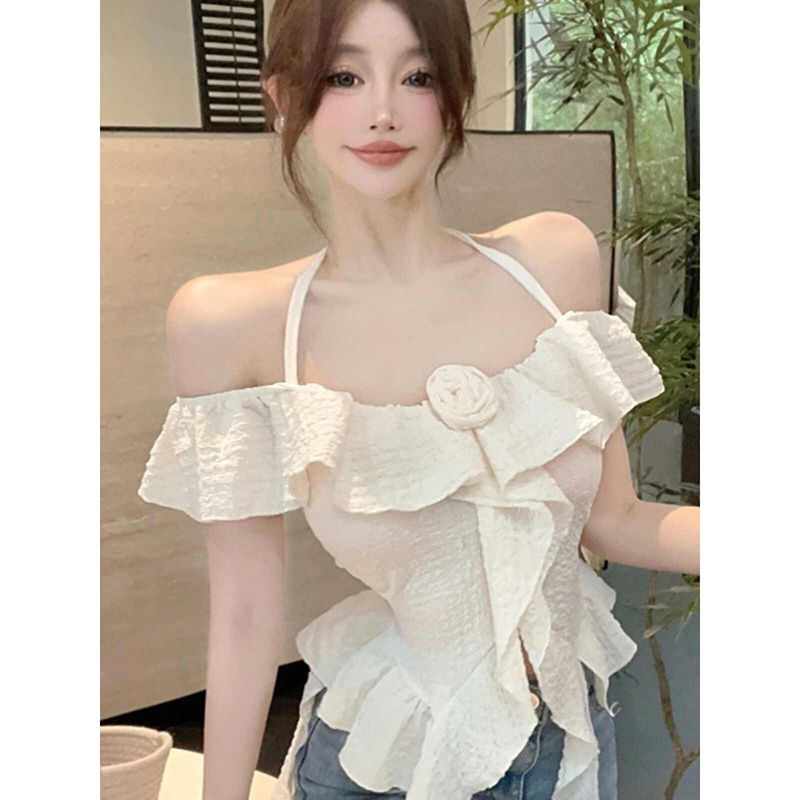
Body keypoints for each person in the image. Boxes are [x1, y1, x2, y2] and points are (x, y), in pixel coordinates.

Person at [137, 1, 700, 798]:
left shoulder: (554, 263)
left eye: (417, 76)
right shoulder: (234, 325)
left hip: (568, 742)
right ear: (284, 95)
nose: (382, 111)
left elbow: (615, 519)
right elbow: (244, 618)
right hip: (386, 763)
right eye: (343, 76)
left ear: (456, 91)